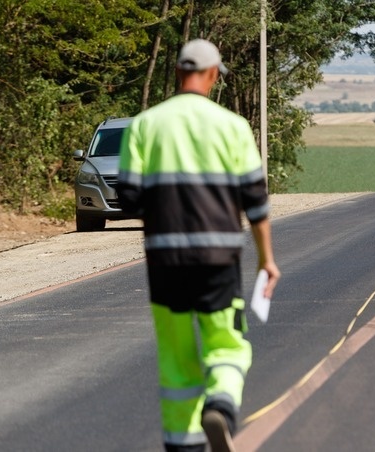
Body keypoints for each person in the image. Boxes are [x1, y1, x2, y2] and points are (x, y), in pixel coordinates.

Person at [117, 38, 280, 452]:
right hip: (218, 259)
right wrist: (267, 261)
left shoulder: (144, 124)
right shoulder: (232, 126)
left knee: (176, 358)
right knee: (226, 344)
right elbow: (257, 205)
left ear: (175, 73)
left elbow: (129, 198)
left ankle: (182, 444)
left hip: (164, 261)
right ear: (211, 75)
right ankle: (221, 408)